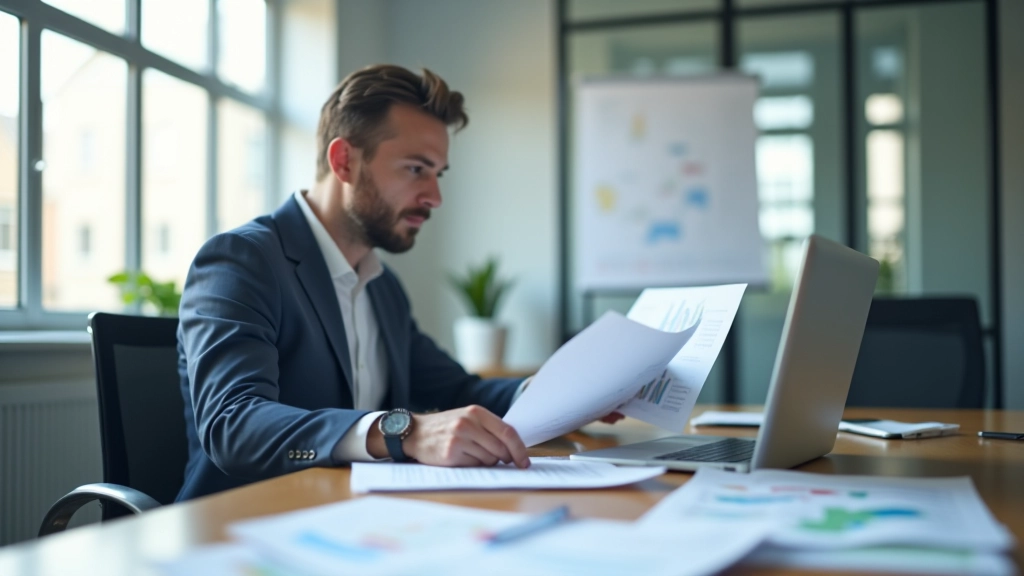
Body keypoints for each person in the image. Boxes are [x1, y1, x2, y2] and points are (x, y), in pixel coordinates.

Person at [176, 64, 620, 502]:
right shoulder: (242, 260)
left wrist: (565, 397)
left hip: (351, 515)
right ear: (344, 160)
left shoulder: (381, 286)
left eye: (437, 173)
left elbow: (460, 391)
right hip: (243, 525)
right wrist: (404, 432)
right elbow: (233, 425)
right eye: (415, 169)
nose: (434, 196)